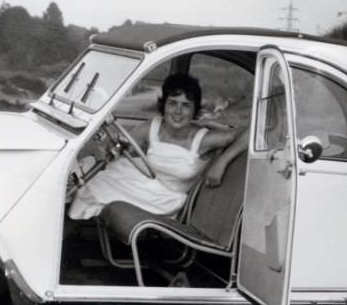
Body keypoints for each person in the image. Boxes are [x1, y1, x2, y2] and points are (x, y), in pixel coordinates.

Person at [68, 73, 247, 220]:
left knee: (87, 184)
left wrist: (222, 161)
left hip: (164, 199)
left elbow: (255, 132)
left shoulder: (204, 139)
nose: (178, 111)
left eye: (186, 106)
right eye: (172, 103)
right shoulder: (151, 127)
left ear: (194, 110)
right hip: (138, 184)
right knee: (85, 175)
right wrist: (106, 145)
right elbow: (121, 146)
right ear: (164, 105)